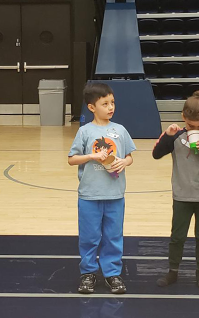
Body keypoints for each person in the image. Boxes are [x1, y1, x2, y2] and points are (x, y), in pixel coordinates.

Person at [152, 90, 199, 289]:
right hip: (182, 196)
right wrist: (167, 135)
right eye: (191, 126)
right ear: (184, 118)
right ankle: (173, 271)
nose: (196, 129)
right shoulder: (175, 137)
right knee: (177, 236)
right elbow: (156, 154)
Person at [68, 83, 135, 295]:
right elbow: (72, 159)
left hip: (115, 194)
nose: (110, 107)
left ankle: (112, 273)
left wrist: (125, 162)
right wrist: (91, 156)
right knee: (89, 236)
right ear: (91, 107)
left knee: (113, 236)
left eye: (112, 103)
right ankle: (88, 272)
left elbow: (130, 156)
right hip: (89, 195)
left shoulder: (120, 130)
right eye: (104, 103)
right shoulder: (85, 131)